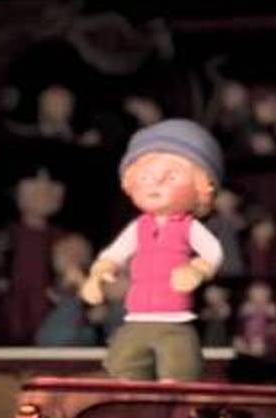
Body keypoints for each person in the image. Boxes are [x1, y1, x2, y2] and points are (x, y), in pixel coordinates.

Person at [80, 118, 224, 381]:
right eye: (145, 177)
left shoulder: (188, 227)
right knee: (122, 368)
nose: (155, 185)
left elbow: (212, 251)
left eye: (171, 177)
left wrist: (197, 269)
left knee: (179, 370)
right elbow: (115, 253)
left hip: (175, 321)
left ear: (201, 187)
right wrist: (98, 275)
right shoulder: (138, 227)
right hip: (136, 319)